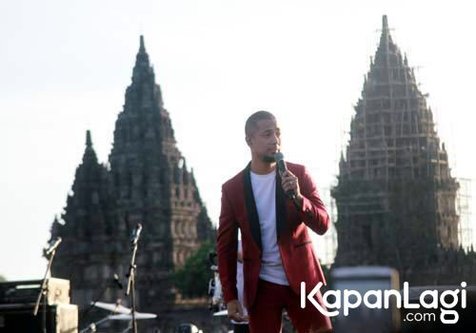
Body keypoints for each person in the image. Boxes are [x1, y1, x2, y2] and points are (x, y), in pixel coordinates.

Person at [217, 111, 333, 333]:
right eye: (267, 134)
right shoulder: (232, 189)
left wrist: (299, 199)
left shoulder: (299, 173)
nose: (275, 140)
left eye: (278, 133)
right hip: (261, 284)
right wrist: (231, 296)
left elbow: (323, 224)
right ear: (249, 140)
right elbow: (226, 248)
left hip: (302, 279)